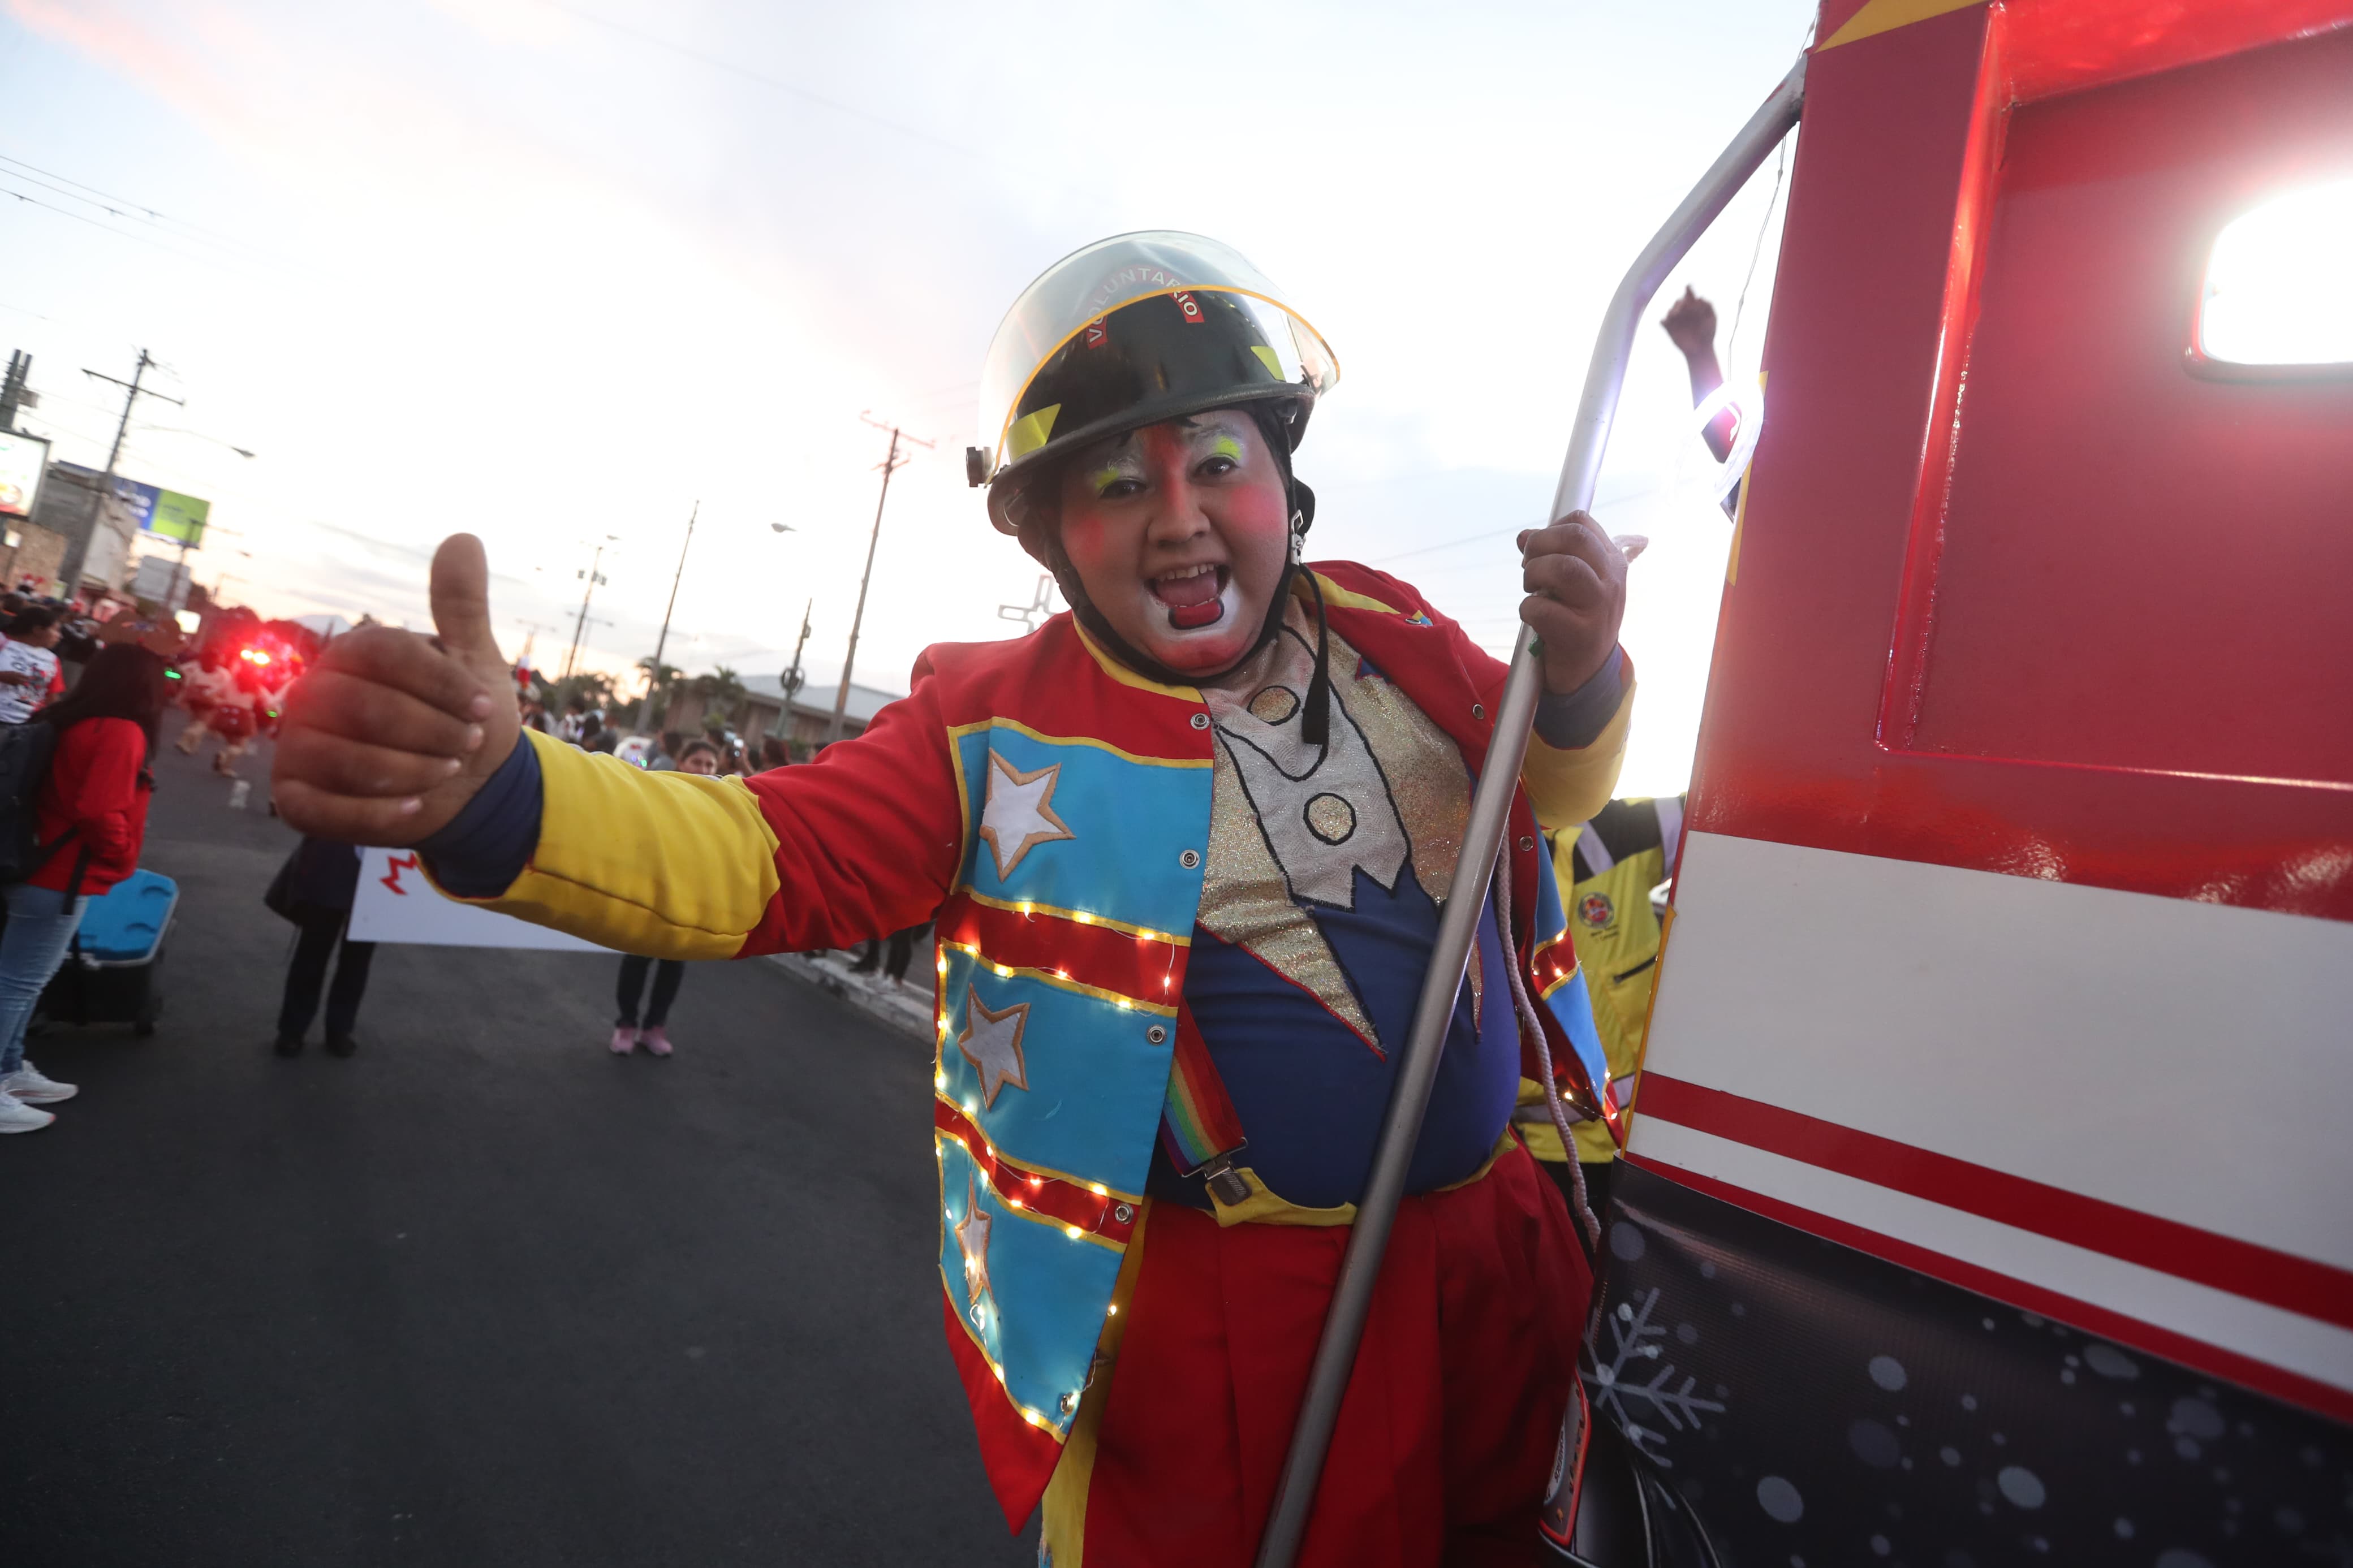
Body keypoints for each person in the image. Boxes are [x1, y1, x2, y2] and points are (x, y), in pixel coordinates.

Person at [273, 232, 1632, 1564]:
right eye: (1114, 484)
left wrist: (1579, 679)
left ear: (1285, 478)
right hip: (1245, 1328)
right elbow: (764, 850)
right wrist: (510, 800)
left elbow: (1546, 795)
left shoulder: (1390, 625)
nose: (1178, 513)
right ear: (1048, 541)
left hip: (1506, 1256)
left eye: (1220, 460)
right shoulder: (990, 726)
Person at [0, 643, 169, 1133]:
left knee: (25, 977)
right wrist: (119, 855)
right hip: (62, 876)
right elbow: (99, 809)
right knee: (17, 981)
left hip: (37, 865)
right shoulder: (122, 731)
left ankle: (11, 1069)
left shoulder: (71, 718)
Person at [608, 737, 721, 1056]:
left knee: (674, 964)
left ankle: (654, 1027)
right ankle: (626, 1024)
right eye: (697, 762)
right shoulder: (659, 790)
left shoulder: (721, 803)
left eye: (710, 764)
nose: (704, 769)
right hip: (652, 891)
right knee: (637, 958)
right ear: (681, 764)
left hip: (691, 897)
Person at [265, 837, 376, 1057]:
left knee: (357, 959)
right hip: (332, 860)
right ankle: (292, 1030)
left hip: (379, 870)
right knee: (312, 952)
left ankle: (339, 1029)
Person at [0, 607, 68, 725]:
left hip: (24, 727)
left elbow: (51, 696)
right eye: (56, 630)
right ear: (38, 630)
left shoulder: (52, 660)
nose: (60, 636)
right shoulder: (3, 643)